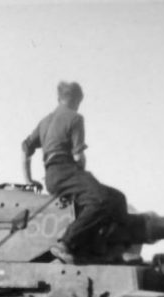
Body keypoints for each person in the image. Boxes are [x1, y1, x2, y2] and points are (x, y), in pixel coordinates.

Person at [22, 81, 127, 263]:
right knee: (100, 199)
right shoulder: (75, 118)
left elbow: (25, 148)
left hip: (52, 175)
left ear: (59, 98)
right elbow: (78, 157)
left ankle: (106, 248)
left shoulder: (45, 121)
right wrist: (83, 176)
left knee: (117, 198)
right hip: (66, 170)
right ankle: (66, 243)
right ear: (77, 100)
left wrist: (29, 179)